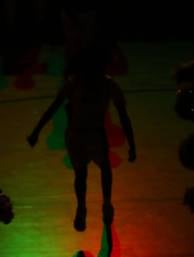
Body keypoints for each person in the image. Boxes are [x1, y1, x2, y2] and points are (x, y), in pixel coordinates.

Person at [27, 47, 135, 231]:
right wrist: (132, 143)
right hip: (89, 133)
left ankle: (84, 206)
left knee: (82, 173)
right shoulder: (105, 84)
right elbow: (123, 115)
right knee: (102, 168)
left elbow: (53, 108)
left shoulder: (77, 83)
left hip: (79, 133)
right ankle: (103, 205)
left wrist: (36, 131)